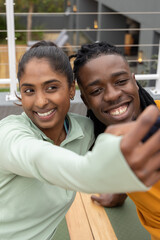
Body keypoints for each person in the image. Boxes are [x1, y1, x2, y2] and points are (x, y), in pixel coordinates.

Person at [0, 41, 160, 240]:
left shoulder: (85, 131)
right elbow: (38, 157)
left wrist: (119, 190)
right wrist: (100, 175)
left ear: (71, 90)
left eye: (51, 87)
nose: (40, 101)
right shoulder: (8, 135)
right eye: (29, 90)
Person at [70, 41, 160, 240]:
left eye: (120, 81)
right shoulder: (105, 141)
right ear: (85, 100)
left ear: (134, 82)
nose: (112, 95)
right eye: (96, 91)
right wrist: (119, 191)